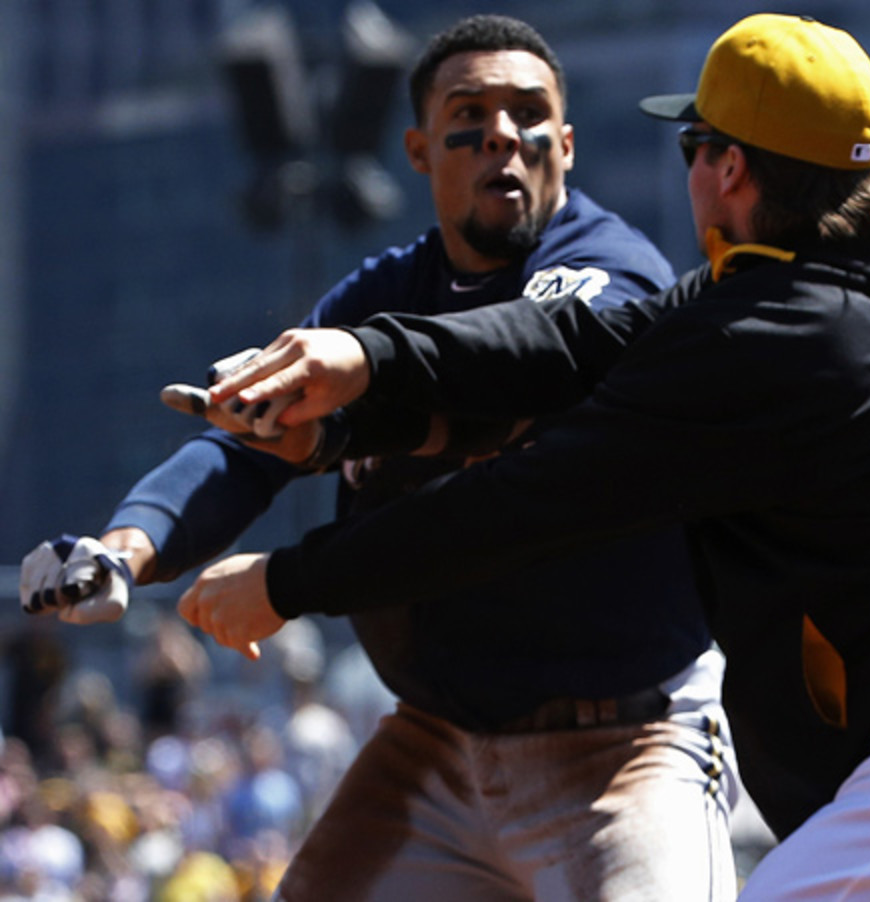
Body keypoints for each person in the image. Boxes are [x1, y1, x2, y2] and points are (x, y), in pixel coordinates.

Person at [178, 12, 870, 900]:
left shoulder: (762, 337)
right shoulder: (856, 286)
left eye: (693, 145)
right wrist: (366, 357)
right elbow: (578, 342)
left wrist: (288, 579)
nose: (692, 169)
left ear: (729, 168)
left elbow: (519, 505)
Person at [19, 15, 739, 902]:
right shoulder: (380, 294)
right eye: (469, 117)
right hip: (435, 743)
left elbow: (522, 362)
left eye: (529, 113)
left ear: (568, 144)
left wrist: (362, 377)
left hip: (625, 743)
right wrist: (125, 551)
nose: (503, 136)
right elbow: (245, 449)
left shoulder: (608, 272)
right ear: (419, 150)